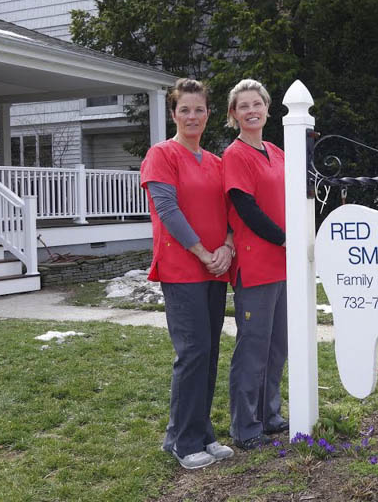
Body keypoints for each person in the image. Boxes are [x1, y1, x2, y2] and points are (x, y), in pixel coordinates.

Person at [140, 78, 235, 470]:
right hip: (182, 269)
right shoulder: (161, 155)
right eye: (185, 110)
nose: (192, 116)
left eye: (199, 109)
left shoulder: (215, 161)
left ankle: (199, 432)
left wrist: (227, 247)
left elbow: (232, 212)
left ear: (208, 114)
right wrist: (202, 252)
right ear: (173, 114)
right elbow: (169, 211)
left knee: (209, 353)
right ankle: (183, 441)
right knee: (192, 353)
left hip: (215, 268)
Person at [221, 78, 288, 452]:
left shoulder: (277, 151)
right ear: (234, 114)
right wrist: (283, 238)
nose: (251, 111)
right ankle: (245, 426)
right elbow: (246, 209)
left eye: (256, 104)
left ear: (266, 108)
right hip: (256, 264)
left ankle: (269, 413)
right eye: (243, 106)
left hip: (283, 265)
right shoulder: (235, 155)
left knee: (278, 346)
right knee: (253, 348)